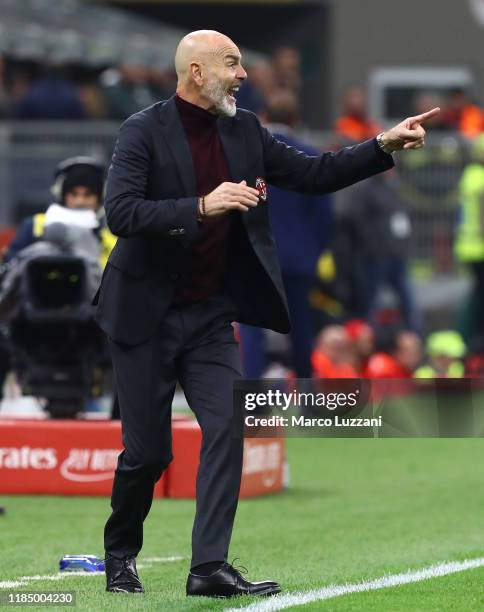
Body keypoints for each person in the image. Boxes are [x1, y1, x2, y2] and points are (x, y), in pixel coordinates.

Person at [93, 29, 439, 598]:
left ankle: (207, 568)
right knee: (148, 452)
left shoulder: (246, 129)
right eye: (232, 64)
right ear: (197, 73)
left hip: (208, 316)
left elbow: (314, 175)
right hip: (144, 314)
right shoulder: (142, 131)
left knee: (229, 427)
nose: (244, 75)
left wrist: (382, 145)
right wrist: (202, 206)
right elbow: (122, 213)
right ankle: (120, 552)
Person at [239, 90, 333, 378]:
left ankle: (253, 404)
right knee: (301, 330)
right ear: (296, 119)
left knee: (252, 330)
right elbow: (324, 216)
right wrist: (313, 252)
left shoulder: (248, 155)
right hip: (298, 259)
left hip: (256, 255)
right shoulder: (310, 154)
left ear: (264, 116)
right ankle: (307, 401)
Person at [4, 157, 116, 268]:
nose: (80, 201)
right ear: (61, 195)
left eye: (88, 195)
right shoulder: (34, 226)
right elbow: (13, 265)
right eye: (73, 194)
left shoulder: (114, 233)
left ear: (100, 197)